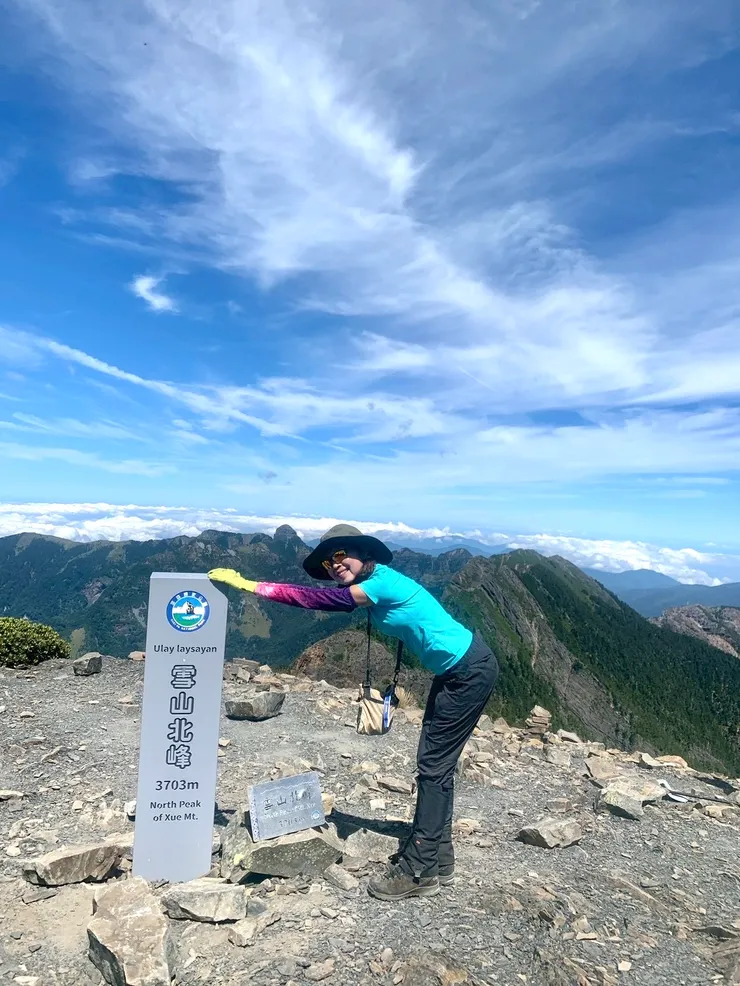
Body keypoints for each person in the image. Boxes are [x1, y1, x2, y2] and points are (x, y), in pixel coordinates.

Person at [208, 523, 499, 901]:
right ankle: (439, 857)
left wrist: (253, 586)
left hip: (468, 671)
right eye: (329, 562)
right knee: (435, 766)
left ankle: (421, 868)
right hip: (458, 670)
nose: (334, 566)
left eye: (341, 556)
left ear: (364, 555)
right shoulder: (378, 582)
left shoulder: (381, 584)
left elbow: (318, 601)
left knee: (433, 767)